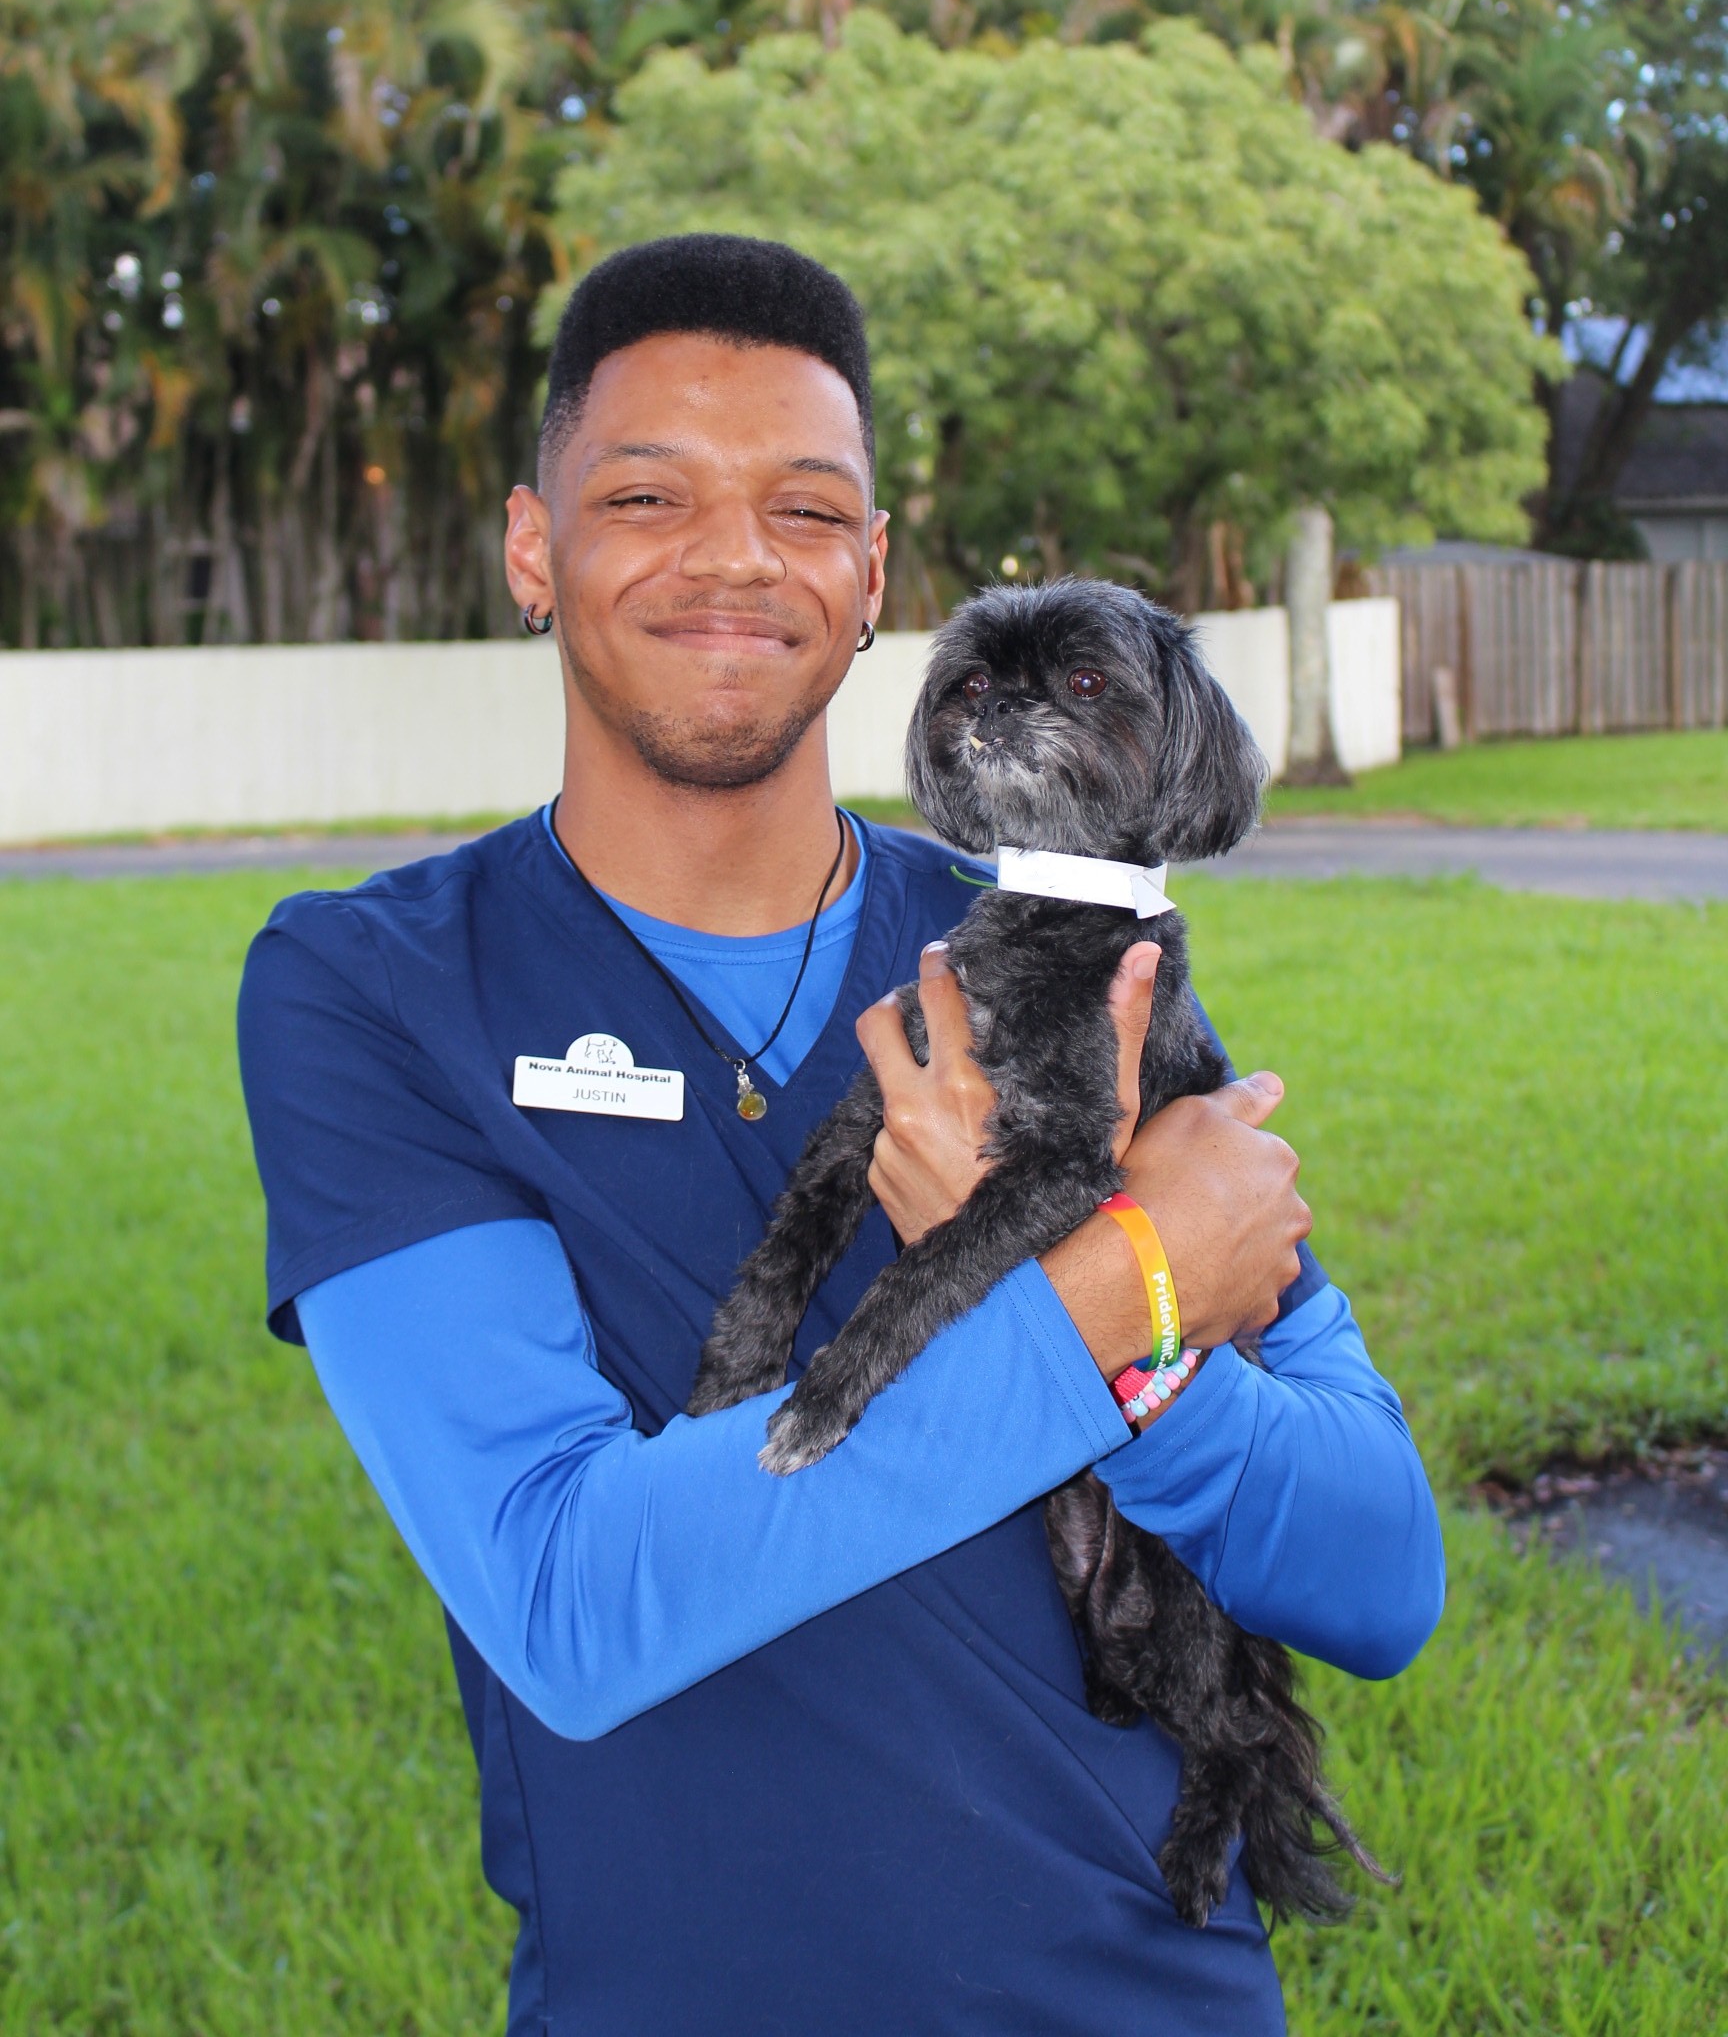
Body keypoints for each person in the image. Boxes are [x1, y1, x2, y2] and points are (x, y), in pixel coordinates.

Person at [238, 233, 1444, 2037]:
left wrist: (1162, 1372)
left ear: (870, 573)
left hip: (1149, 1994)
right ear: (531, 547)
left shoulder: (1069, 956)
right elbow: (568, 1595)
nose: (735, 557)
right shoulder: (380, 988)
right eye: (647, 495)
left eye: (802, 510)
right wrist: (1117, 1288)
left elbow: (1380, 1574)